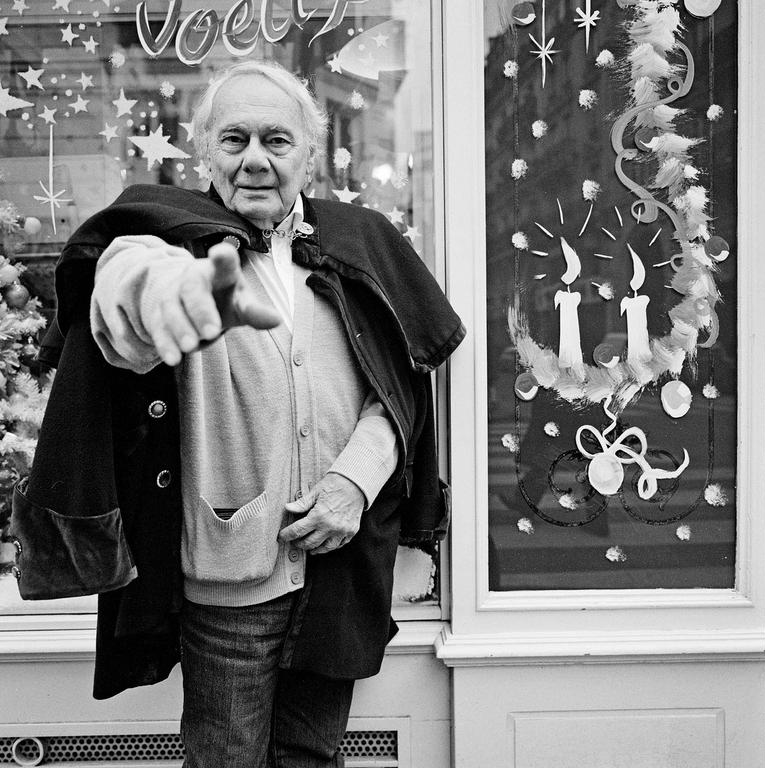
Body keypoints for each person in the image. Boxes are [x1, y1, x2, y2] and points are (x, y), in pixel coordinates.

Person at [10, 60, 464, 767]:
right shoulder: (168, 238)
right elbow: (124, 291)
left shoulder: (358, 240)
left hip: (340, 571)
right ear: (205, 154)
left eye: (277, 141)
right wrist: (166, 294)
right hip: (228, 588)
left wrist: (355, 482)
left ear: (309, 155)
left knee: (313, 759)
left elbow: (399, 388)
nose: (255, 158)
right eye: (234, 139)